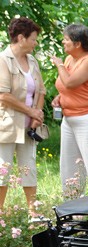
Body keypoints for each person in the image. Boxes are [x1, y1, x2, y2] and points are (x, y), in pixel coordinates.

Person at [50, 24, 88, 192]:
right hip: (69, 119)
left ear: (77, 44)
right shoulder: (70, 59)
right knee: (70, 166)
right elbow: (69, 87)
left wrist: (59, 65)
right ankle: (73, 208)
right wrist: (60, 97)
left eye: (66, 39)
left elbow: (70, 82)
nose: (63, 42)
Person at [0, 17, 45, 217]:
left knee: (29, 168)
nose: (35, 43)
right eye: (33, 39)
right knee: (2, 170)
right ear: (21, 38)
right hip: (7, 123)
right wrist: (30, 111)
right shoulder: (3, 60)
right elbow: (3, 95)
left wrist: (37, 115)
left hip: (29, 126)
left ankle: (32, 213)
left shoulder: (33, 60)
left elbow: (41, 91)